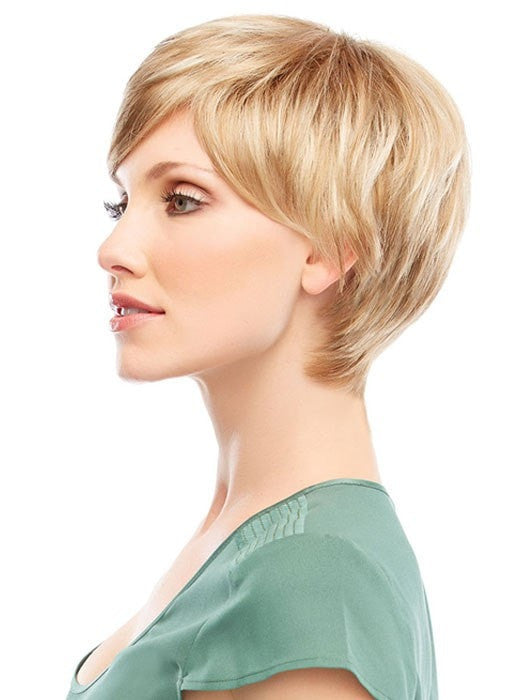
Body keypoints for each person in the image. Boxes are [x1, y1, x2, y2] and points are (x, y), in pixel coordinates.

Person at [65, 13, 470, 700]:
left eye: (182, 200)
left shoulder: (313, 576)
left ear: (330, 246)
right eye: (121, 203)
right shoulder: (256, 538)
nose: (114, 250)